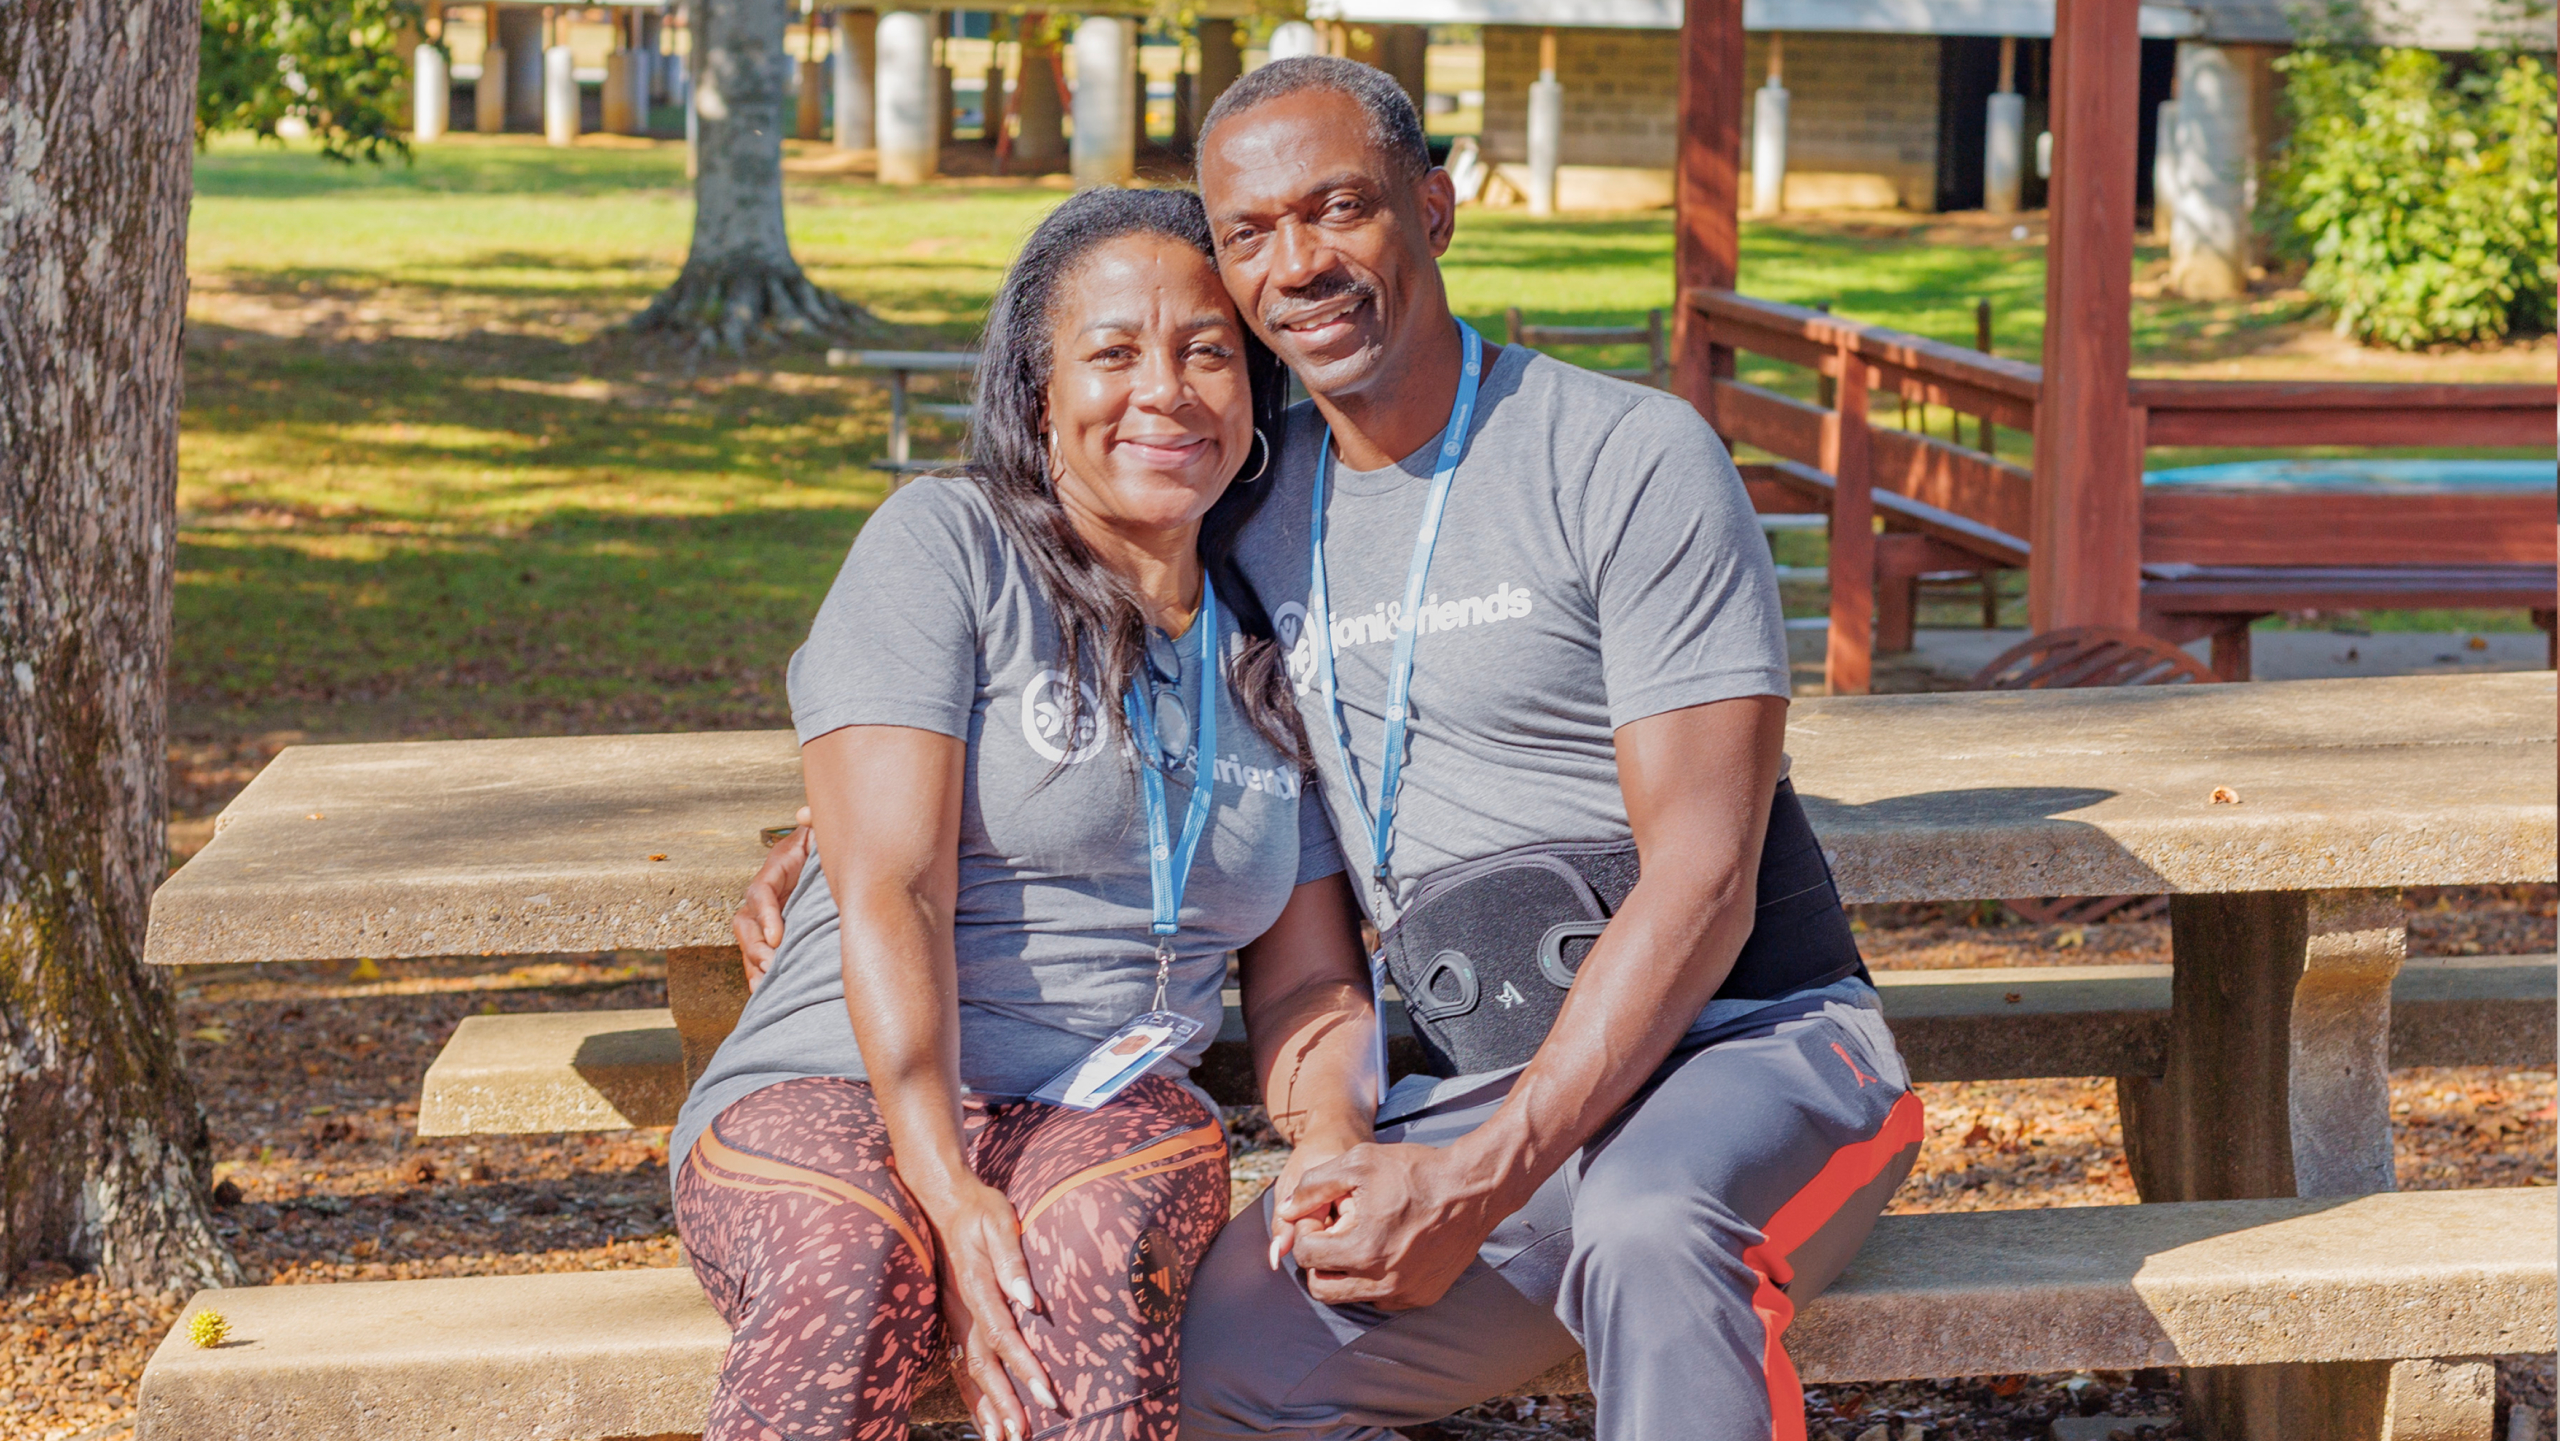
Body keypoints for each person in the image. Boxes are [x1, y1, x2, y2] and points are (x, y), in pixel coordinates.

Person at [740, 59, 1922, 1441]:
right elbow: (1060, 691)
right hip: (1471, 1091)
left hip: (1748, 1054)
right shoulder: (1240, 494)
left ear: (1435, 208)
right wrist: (834, 828)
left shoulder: (1628, 458)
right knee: (1213, 1356)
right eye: (1249, 232)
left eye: (1340, 207)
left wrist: (1481, 1174)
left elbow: (1709, 874)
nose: (1297, 263)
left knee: (1655, 1229)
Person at [676, 186, 1377, 1441]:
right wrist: (945, 1189)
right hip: (838, 1083)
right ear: (1037, 394)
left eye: (1206, 351)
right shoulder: (945, 544)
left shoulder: (1279, 634)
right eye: (1111, 353)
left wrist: (1327, 1135)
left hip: (1108, 1102)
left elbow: (1307, 983)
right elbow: (895, 885)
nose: (1162, 390)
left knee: (1098, 1257)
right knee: (850, 1265)